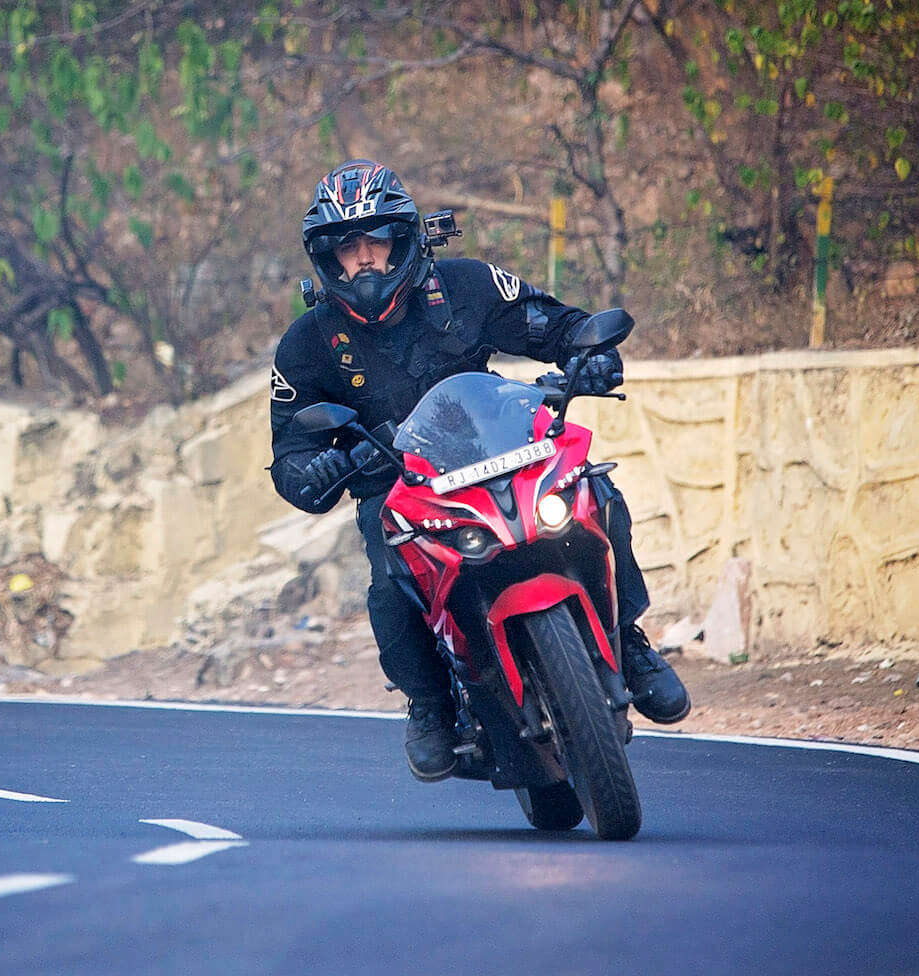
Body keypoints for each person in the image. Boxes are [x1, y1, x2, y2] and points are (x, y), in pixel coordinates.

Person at [268, 159, 690, 781]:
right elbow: (288, 456)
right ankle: (431, 706)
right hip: (399, 490)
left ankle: (629, 641)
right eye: (348, 249)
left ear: (405, 241)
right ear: (326, 261)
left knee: (597, 492)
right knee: (389, 585)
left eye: (376, 242)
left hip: (502, 454)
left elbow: (559, 323)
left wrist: (590, 355)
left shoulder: (466, 285)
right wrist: (319, 466)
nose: (364, 261)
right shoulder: (306, 342)